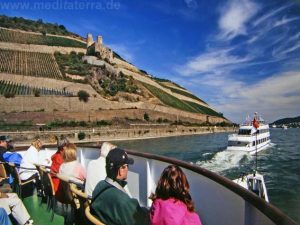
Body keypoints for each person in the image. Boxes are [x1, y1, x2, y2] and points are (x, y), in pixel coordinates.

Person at [91, 148, 149, 225]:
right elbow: (140, 221)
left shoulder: (99, 186)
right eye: (127, 166)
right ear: (121, 170)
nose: (128, 169)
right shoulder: (123, 201)